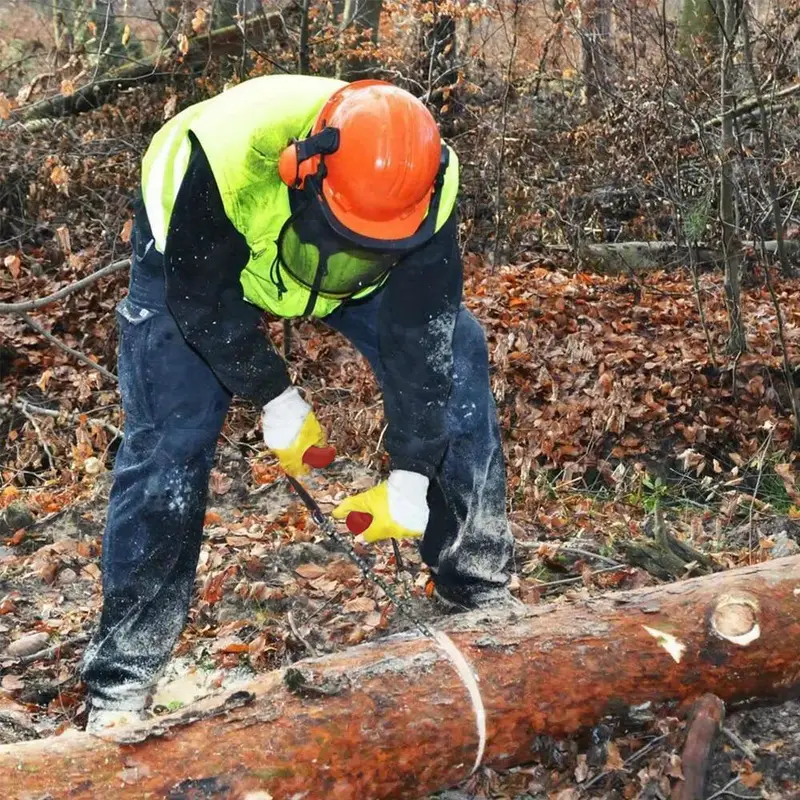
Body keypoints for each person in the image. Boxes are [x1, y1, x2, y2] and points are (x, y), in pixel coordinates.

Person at [81, 75, 514, 732]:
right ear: (304, 172)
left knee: (461, 352)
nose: (362, 253)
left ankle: (482, 597)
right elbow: (201, 303)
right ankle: (122, 681)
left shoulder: (426, 184)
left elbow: (422, 338)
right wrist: (273, 393)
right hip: (199, 257)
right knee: (172, 437)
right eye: (354, 238)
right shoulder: (224, 161)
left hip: (326, 257)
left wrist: (410, 475)